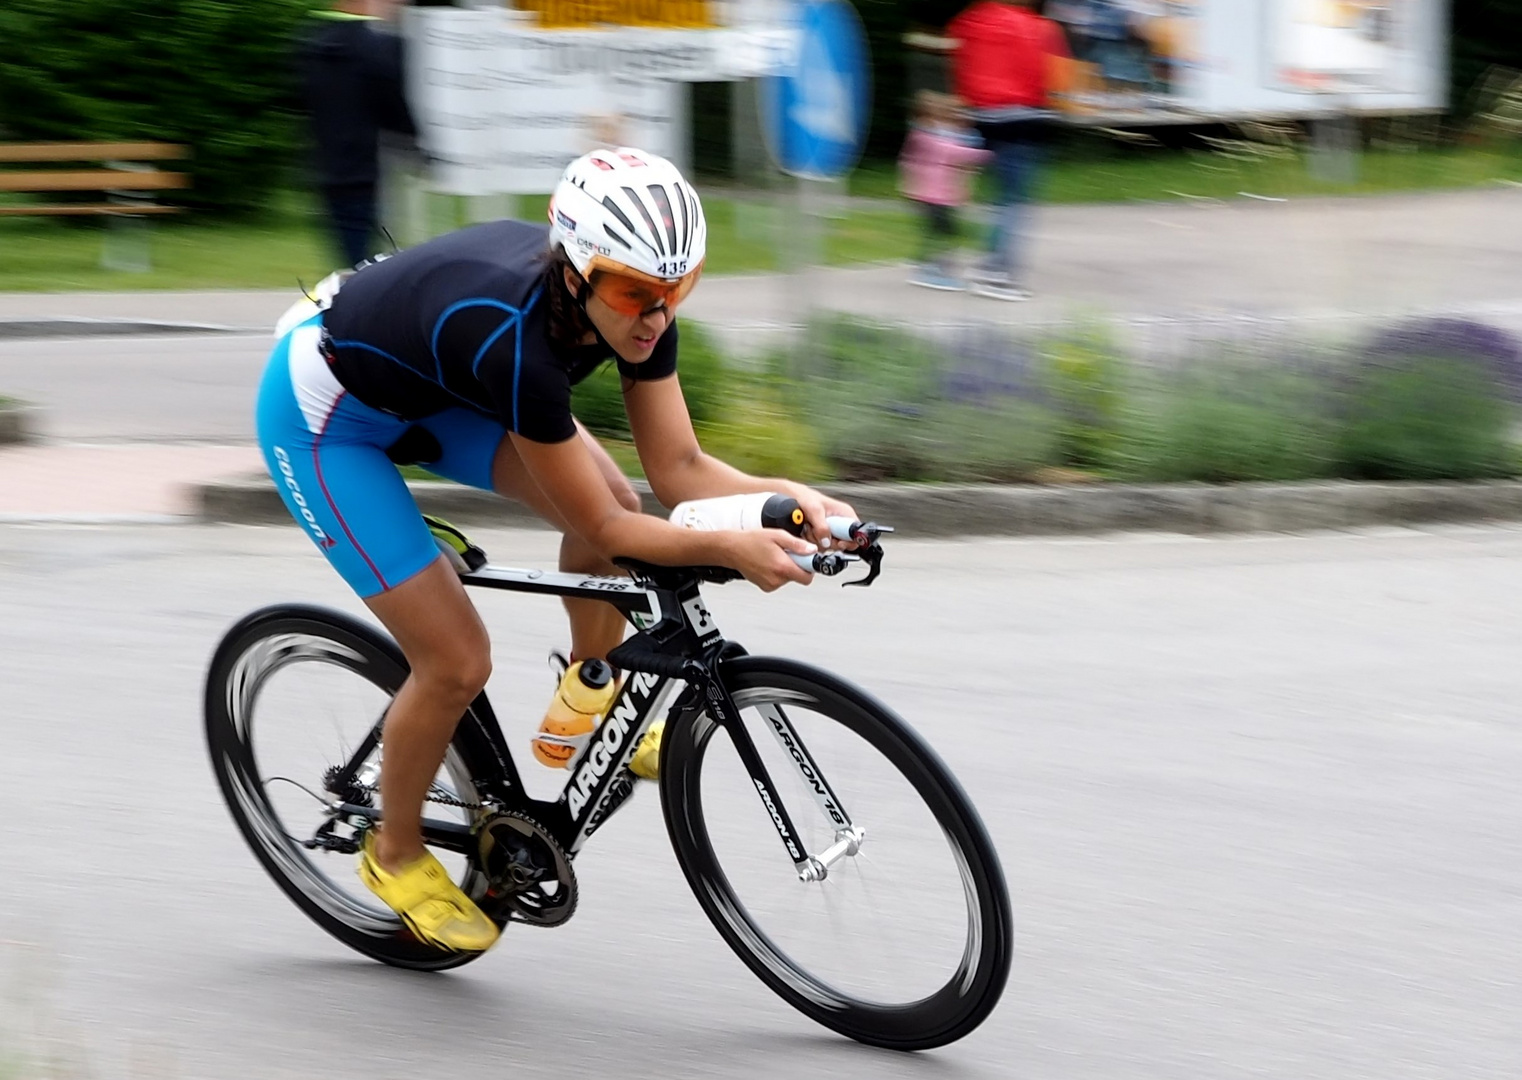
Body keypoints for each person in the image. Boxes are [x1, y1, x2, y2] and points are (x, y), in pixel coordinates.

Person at [255, 148, 857, 955]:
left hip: (436, 385)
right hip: (326, 414)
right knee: (457, 660)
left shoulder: (642, 302)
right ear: (575, 274)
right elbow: (613, 540)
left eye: (678, 291)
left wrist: (792, 498)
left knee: (617, 497)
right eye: (633, 294)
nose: (655, 315)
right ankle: (393, 853)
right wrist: (732, 543)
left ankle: (590, 682)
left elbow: (678, 471)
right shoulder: (518, 344)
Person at [946, 0, 1070, 301]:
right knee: (1015, 202)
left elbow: (959, 64)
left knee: (1000, 199)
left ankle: (987, 263)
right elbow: (1057, 77)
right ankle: (997, 275)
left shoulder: (972, 20)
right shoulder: (1039, 27)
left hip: (983, 119)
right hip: (1023, 119)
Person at [294, 0, 418, 267]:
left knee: (350, 256)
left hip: (327, 167)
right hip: (364, 168)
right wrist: (417, 145)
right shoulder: (376, 47)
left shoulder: (312, 45)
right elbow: (393, 108)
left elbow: (301, 100)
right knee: (368, 260)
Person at [898, 91, 992, 291]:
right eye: (935, 115)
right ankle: (930, 269)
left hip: (940, 195)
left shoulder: (935, 134)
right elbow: (950, 152)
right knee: (942, 232)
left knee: (942, 231)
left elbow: (955, 157)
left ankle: (933, 266)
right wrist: (987, 154)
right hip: (930, 194)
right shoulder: (923, 137)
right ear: (924, 116)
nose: (939, 120)